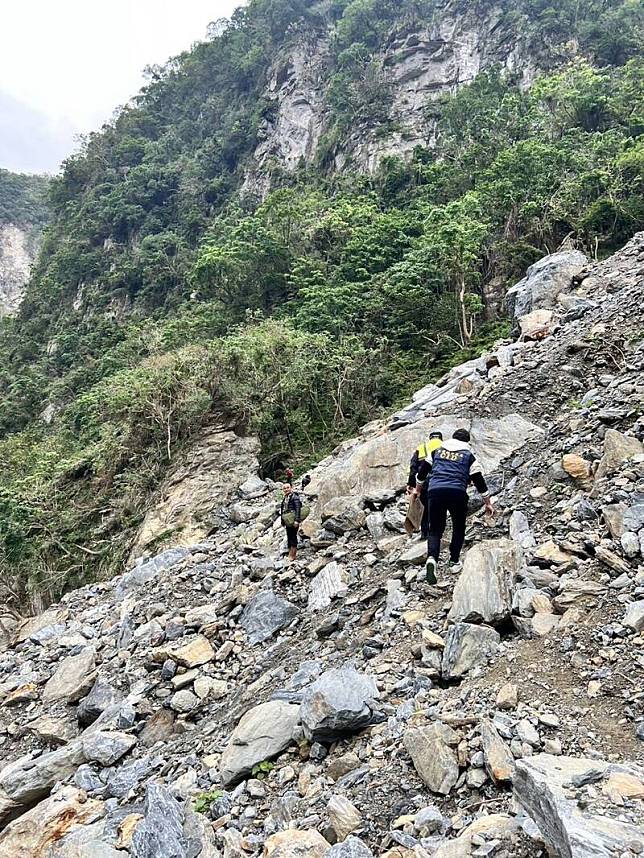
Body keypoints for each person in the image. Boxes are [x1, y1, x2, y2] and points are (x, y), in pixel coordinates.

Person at [415, 428, 493, 584]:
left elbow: (422, 472)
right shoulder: (468, 456)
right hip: (457, 492)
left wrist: (417, 490)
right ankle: (454, 560)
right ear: (466, 442)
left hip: (435, 491)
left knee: (435, 528)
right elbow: (478, 480)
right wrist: (487, 502)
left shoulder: (437, 451)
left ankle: (432, 558)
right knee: (458, 526)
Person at [407, 431, 444, 539]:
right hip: (440, 480)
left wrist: (411, 484)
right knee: (439, 507)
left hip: (423, 482)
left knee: (425, 508)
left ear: (430, 438)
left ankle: (424, 533)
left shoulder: (422, 448)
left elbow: (413, 468)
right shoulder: (445, 447)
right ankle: (437, 533)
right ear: (441, 439)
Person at [281, 482, 303, 562]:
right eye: (284, 488)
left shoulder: (295, 497)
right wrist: (282, 521)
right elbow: (283, 510)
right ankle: (290, 552)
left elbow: (298, 509)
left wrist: (297, 520)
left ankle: (293, 555)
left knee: (293, 536)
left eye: (288, 487)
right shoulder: (286, 498)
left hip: (293, 520)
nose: (286, 489)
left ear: (291, 488)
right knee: (289, 536)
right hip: (288, 521)